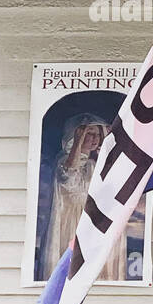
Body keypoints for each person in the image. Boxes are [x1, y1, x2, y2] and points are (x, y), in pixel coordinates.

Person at [40, 114, 125, 282]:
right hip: (71, 222)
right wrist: (78, 142)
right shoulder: (64, 161)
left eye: (97, 134)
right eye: (89, 133)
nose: (94, 139)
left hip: (92, 221)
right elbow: (68, 177)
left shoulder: (95, 164)